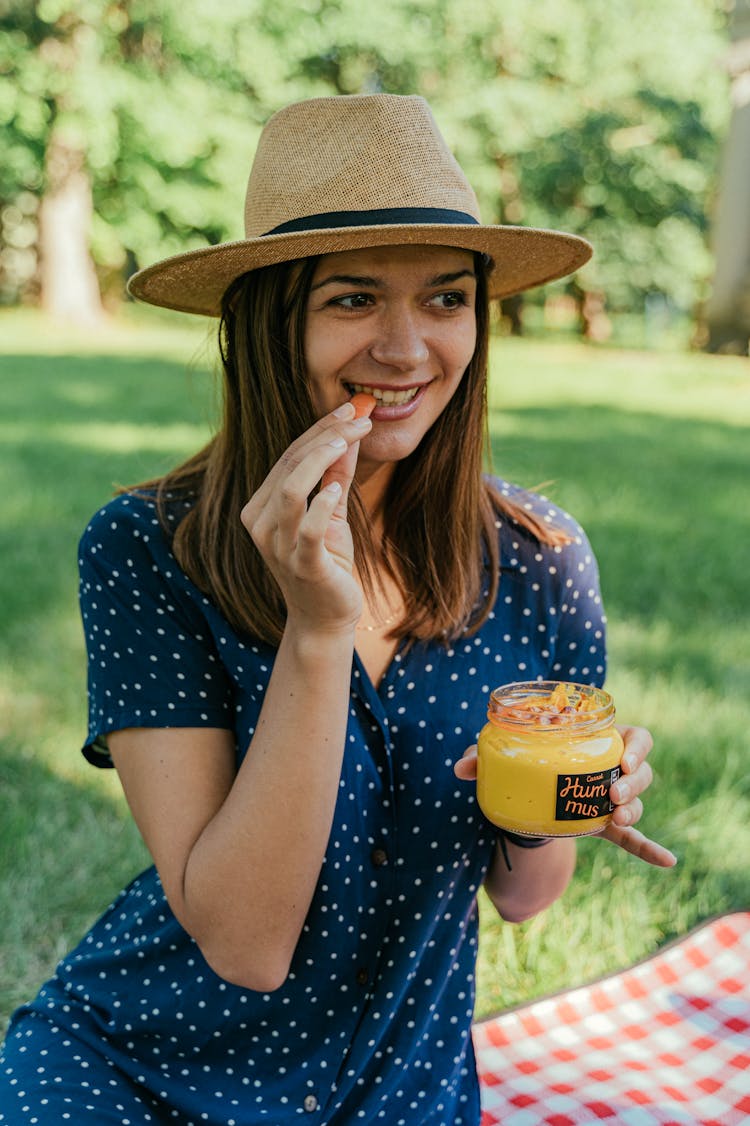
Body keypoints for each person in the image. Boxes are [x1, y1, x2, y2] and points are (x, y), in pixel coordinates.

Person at [0, 94, 676, 1126]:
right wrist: (317, 633)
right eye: (354, 300)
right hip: (136, 1067)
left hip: (398, 1092)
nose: (408, 349)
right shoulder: (149, 549)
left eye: (446, 300)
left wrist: (565, 794)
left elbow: (528, 896)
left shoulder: (540, 558)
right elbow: (243, 943)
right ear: (270, 324)